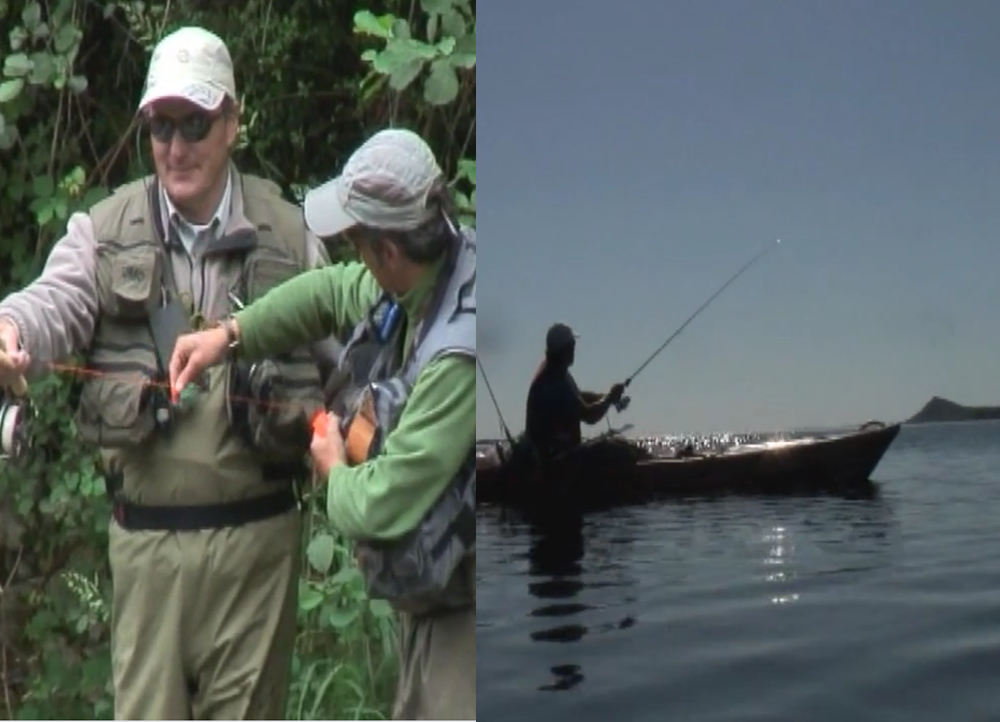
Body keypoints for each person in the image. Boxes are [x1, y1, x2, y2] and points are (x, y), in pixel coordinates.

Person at [0, 26, 337, 720]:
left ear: (233, 122)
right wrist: (11, 329)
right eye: (161, 126)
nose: (176, 147)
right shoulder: (100, 231)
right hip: (147, 554)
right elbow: (51, 303)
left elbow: (353, 370)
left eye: (195, 124)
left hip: (258, 556)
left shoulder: (294, 235)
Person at [167, 127, 477, 720]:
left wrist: (334, 465)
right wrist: (228, 336)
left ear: (387, 252)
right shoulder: (428, 273)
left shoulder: (457, 360)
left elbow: (380, 505)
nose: (355, 260)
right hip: (439, 600)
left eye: (357, 244)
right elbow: (327, 293)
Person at [524, 322, 627, 460]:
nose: (574, 350)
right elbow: (588, 415)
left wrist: (605, 396)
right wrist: (608, 398)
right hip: (555, 460)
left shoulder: (554, 371)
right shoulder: (553, 382)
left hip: (559, 455)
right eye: (572, 346)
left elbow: (578, 396)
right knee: (616, 451)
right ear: (564, 350)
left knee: (617, 446)